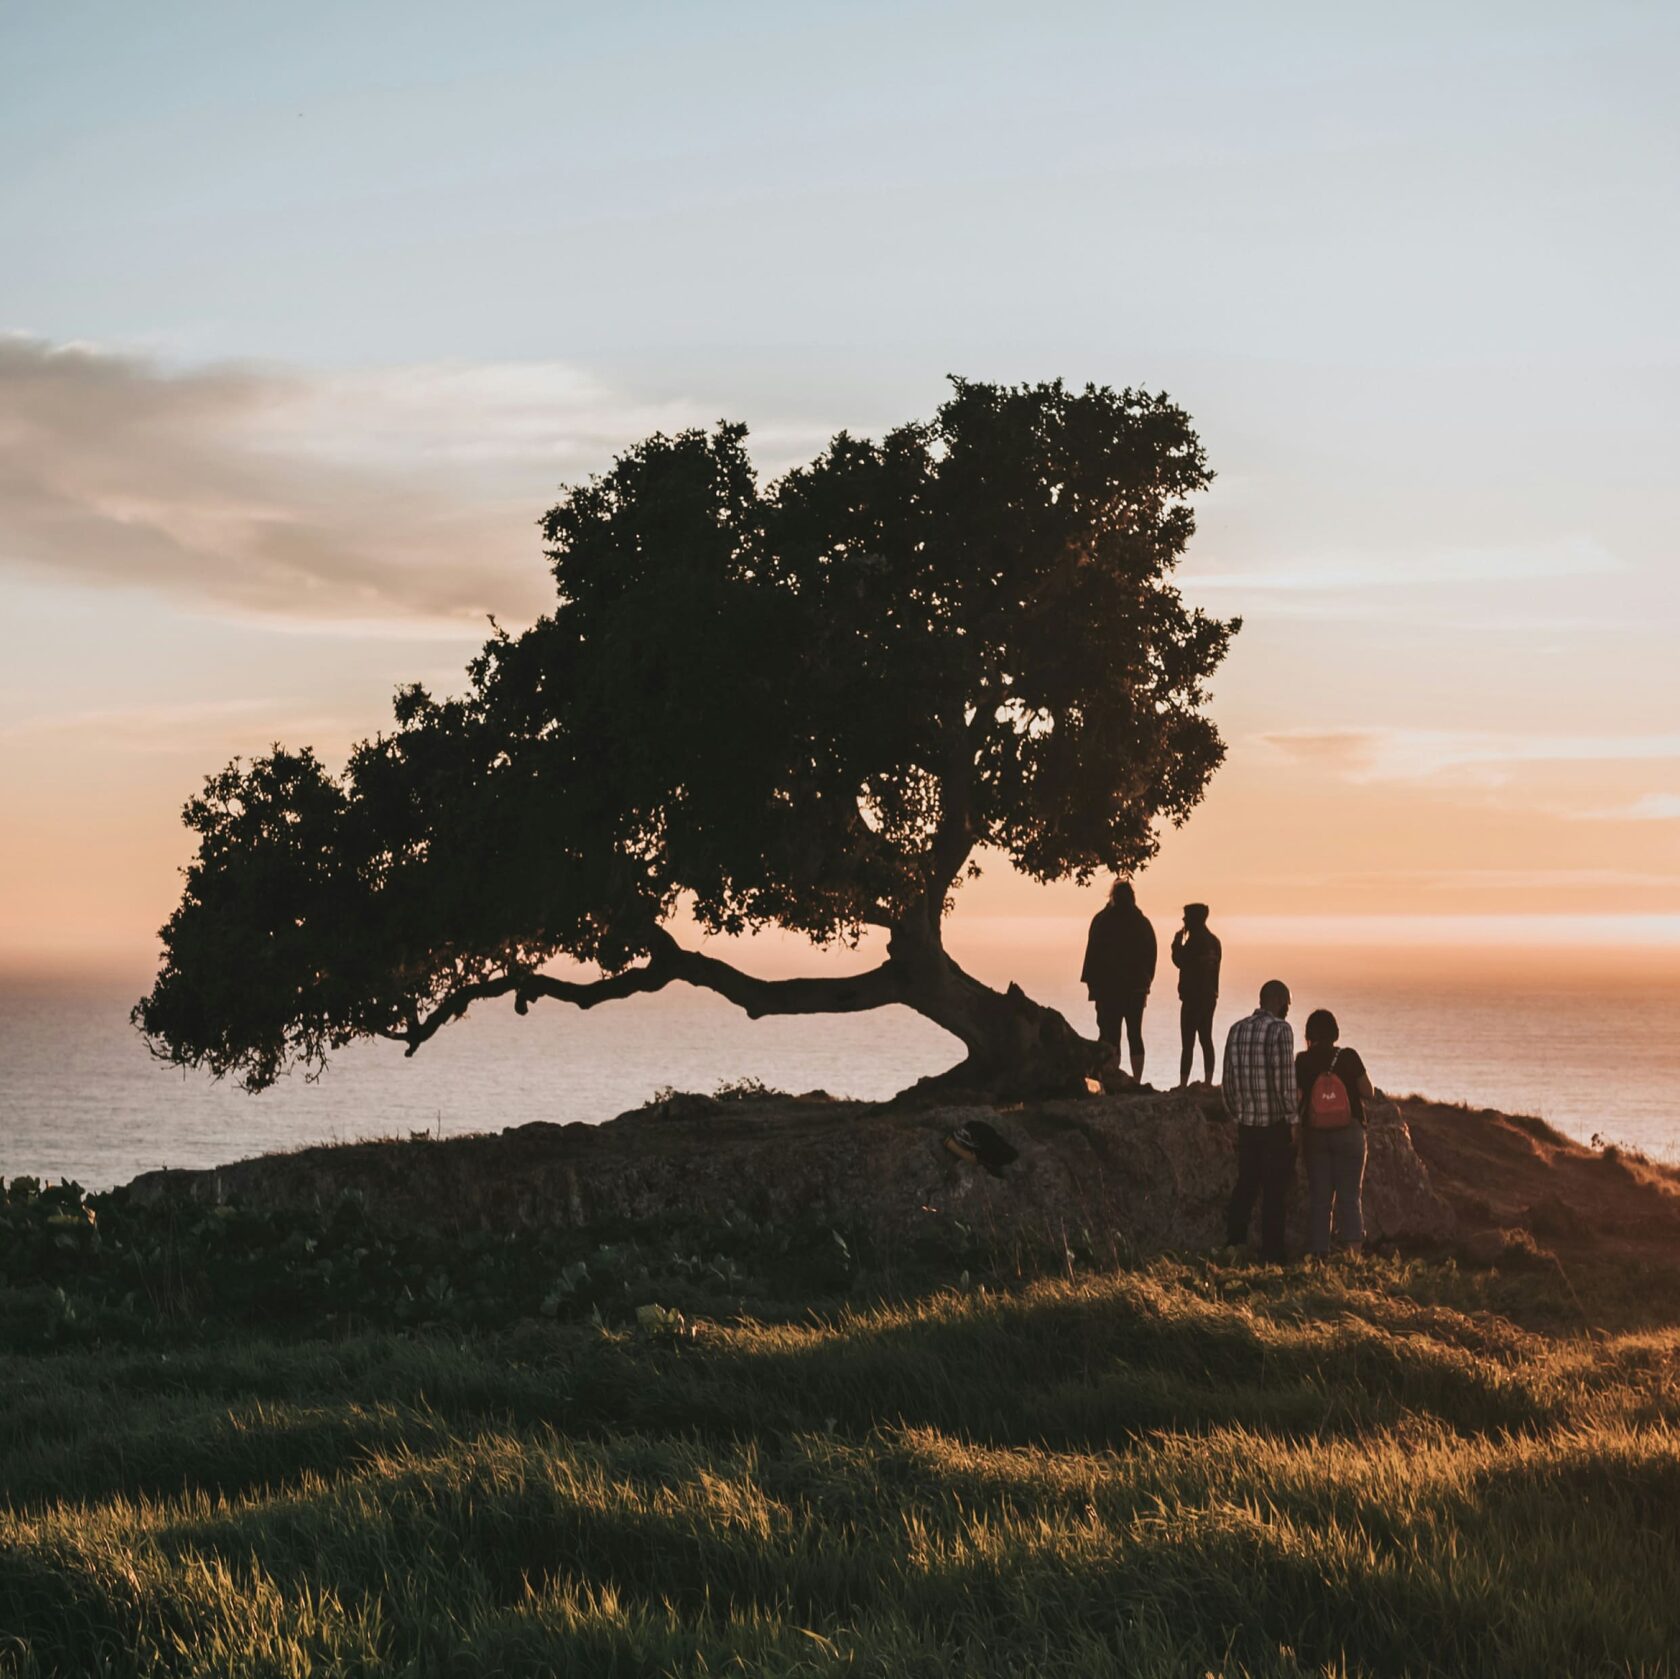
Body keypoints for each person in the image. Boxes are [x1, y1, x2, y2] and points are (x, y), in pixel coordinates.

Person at [1220, 979, 1295, 1263]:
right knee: (1275, 1191)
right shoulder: (1280, 1030)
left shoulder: (1236, 1029)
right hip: (1274, 1125)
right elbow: (1284, 1082)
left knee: (1246, 1184)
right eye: (1287, 1001)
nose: (1289, 1008)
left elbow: (1227, 1079)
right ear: (1276, 1001)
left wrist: (1235, 1112)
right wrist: (1294, 1120)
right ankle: (1272, 1253)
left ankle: (1234, 1243)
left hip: (1246, 1124)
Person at [1295, 1009, 1374, 1258]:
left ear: (1309, 1034)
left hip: (1316, 1134)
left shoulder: (1302, 1061)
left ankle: (1319, 1254)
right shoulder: (1349, 1056)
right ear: (1335, 1033)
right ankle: (1353, 1255)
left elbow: (1296, 1097)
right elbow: (1368, 1092)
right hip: (1349, 1132)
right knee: (1350, 1196)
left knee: (1320, 1198)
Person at [1080, 880, 1157, 1082]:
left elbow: (1092, 954)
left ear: (1112, 896)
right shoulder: (1142, 923)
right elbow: (1151, 956)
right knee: (1134, 1034)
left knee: (1110, 1035)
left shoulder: (1102, 921)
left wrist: (1093, 987)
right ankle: (1137, 1079)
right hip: (1135, 988)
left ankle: (1111, 1078)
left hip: (1109, 989)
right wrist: (1146, 983)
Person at [1170, 902, 1222, 1088]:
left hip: (1193, 997)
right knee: (1206, 1038)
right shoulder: (1215, 942)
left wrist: (1176, 943)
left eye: (1186, 917)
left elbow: (1180, 960)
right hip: (1209, 996)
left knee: (1188, 1041)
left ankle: (1183, 1083)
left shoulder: (1194, 941)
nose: (1183, 920)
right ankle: (1208, 1081)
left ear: (1194, 919)